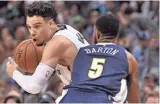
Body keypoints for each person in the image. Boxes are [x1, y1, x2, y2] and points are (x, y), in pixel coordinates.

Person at [6, 1, 89, 94]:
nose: (32, 32)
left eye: (37, 26)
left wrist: (14, 73)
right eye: (29, 27)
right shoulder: (67, 28)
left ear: (50, 23)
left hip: (87, 93)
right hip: (90, 87)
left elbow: (34, 87)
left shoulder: (56, 43)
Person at [57, 13, 140, 103]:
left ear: (96, 33)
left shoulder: (80, 52)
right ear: (117, 35)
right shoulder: (128, 58)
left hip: (71, 98)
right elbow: (134, 97)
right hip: (100, 99)